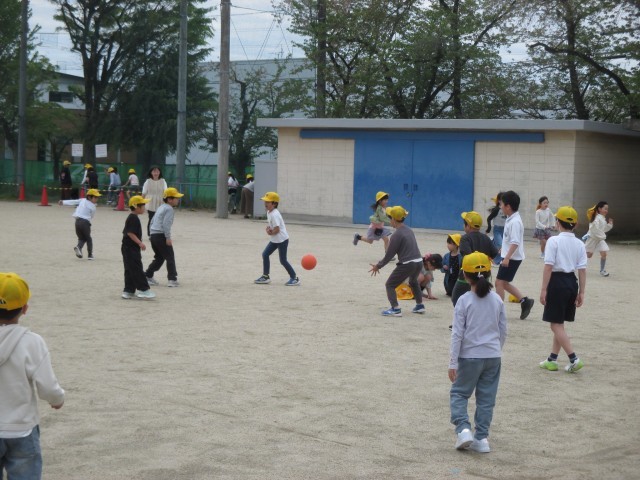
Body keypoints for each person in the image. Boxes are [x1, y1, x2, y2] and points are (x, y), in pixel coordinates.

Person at [0, 272, 65, 478]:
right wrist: (57, 399)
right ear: (25, 308)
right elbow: (47, 386)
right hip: (21, 428)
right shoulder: (32, 342)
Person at [449, 251, 507, 454]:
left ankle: (463, 429)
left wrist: (452, 362)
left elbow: (457, 334)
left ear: (465, 275)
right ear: (490, 273)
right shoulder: (497, 299)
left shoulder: (464, 300)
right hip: (493, 356)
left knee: (459, 393)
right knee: (486, 399)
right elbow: (503, 330)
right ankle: (481, 438)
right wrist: (495, 350)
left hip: (469, 356)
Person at [538, 206, 587, 373]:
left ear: (558, 222)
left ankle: (574, 358)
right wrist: (581, 292)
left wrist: (543, 289)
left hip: (557, 282)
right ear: (575, 224)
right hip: (572, 282)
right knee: (559, 323)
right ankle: (552, 359)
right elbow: (582, 270)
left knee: (555, 325)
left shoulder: (554, 241)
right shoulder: (580, 244)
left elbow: (548, 266)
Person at [368, 206, 424, 316]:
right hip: (419, 261)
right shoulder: (409, 230)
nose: (389, 221)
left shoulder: (396, 235)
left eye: (390, 218)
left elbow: (389, 255)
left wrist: (378, 266)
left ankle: (395, 308)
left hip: (407, 264)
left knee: (390, 284)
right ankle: (420, 305)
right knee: (413, 281)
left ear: (393, 219)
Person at [495, 191, 535, 320]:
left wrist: (507, 257)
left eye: (501, 204)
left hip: (512, 258)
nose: (500, 206)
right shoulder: (511, 219)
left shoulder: (515, 222)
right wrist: (503, 249)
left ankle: (498, 312)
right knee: (504, 283)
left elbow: (515, 242)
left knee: (499, 283)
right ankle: (525, 301)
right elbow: (510, 239)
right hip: (510, 256)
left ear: (508, 206)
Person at [451, 211, 498, 307]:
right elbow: (494, 253)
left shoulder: (465, 238)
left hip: (467, 276)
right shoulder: (486, 238)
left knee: (456, 299)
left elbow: (467, 255)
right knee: (481, 300)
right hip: (484, 276)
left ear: (468, 226)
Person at [254, 192, 300, 286]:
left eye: (268, 202)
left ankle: (294, 278)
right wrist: (269, 229)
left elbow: (277, 229)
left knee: (283, 260)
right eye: (265, 201)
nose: (265, 203)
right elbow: (273, 227)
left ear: (274, 204)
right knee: (265, 254)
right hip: (275, 240)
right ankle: (265, 276)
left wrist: (270, 232)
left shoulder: (275, 214)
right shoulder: (269, 212)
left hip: (282, 240)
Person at [145, 187, 184, 288]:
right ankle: (172, 279)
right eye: (176, 198)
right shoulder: (169, 209)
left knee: (159, 257)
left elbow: (152, 221)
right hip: (161, 235)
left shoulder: (161, 207)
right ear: (170, 199)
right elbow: (166, 224)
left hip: (154, 235)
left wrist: (151, 234)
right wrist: (168, 237)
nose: (178, 199)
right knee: (170, 257)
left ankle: (148, 275)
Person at [121, 196, 156, 300]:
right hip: (130, 248)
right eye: (143, 205)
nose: (144, 208)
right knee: (136, 268)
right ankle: (144, 289)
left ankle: (129, 290)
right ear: (136, 206)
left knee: (130, 268)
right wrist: (140, 243)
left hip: (128, 247)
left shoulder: (133, 217)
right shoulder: (133, 218)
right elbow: (130, 233)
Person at [69, 188, 101, 260]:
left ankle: (79, 248)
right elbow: (91, 216)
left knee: (81, 238)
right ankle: (90, 255)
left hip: (77, 222)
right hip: (85, 223)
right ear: (89, 197)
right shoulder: (93, 206)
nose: (97, 199)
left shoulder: (82, 200)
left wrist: (63, 202)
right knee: (88, 238)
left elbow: (73, 201)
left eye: (97, 197)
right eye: (95, 197)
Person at [584, 201, 613, 277]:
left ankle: (602, 270)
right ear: (599, 209)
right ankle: (575, 260)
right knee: (588, 255)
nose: (606, 210)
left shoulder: (602, 218)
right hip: (592, 238)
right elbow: (594, 228)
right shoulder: (596, 218)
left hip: (599, 239)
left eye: (607, 209)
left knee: (604, 253)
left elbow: (603, 229)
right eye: (605, 208)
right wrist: (602, 236)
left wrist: (609, 225)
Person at [141, 166, 168, 237]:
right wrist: (140, 203)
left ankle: (160, 233)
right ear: (151, 173)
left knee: (161, 218)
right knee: (151, 218)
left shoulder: (163, 181)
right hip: (150, 202)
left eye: (157, 171)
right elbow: (144, 192)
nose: (156, 173)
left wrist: (167, 202)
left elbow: (166, 192)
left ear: (159, 172)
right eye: (154, 171)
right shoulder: (148, 181)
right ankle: (150, 234)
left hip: (160, 202)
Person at [486, 192, 506, 265]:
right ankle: (495, 261)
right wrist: (489, 228)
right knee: (501, 246)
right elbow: (489, 218)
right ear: (499, 201)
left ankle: (491, 256)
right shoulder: (497, 210)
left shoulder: (507, 209)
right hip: (497, 230)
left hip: (505, 230)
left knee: (498, 245)